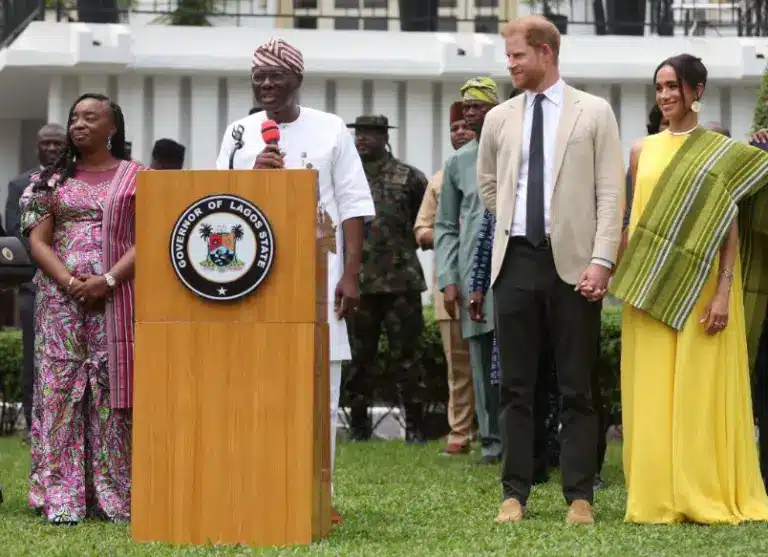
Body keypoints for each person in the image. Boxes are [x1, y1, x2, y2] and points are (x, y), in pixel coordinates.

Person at [215, 37, 375, 526]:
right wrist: (253, 177)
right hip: (251, 277)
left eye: (275, 76)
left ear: (296, 80)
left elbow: (353, 204)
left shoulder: (329, 129)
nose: (266, 84)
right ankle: (255, 487)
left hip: (317, 272)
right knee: (254, 384)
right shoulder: (240, 134)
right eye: (259, 77)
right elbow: (215, 201)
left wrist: (350, 273)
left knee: (319, 383)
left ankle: (317, 492)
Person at [478, 16, 624, 525]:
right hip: (515, 260)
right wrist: (520, 225)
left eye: (517, 55)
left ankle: (579, 495)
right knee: (515, 386)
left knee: (577, 385)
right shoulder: (499, 118)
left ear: (544, 52)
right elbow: (490, 188)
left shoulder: (594, 112)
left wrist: (602, 260)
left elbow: (611, 194)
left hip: (576, 267)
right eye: (509, 56)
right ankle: (514, 493)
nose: (510, 64)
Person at [611, 53, 768, 525]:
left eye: (674, 86)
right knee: (653, 390)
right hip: (649, 287)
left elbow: (728, 225)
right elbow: (630, 221)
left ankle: (703, 490)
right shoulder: (641, 150)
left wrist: (724, 291)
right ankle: (657, 495)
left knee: (699, 391)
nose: (665, 96)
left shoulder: (720, 152)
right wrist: (617, 274)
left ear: (697, 91)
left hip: (703, 290)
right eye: (659, 87)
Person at [21, 93, 139, 524]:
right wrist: (72, 283)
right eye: (75, 117)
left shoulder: (137, 178)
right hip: (61, 302)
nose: (79, 124)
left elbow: (150, 237)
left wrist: (108, 280)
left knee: (111, 393)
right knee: (59, 392)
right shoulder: (49, 181)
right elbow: (38, 241)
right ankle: (61, 495)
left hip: (118, 300)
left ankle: (112, 495)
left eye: (91, 117)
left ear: (113, 129)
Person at [343, 114, 428, 444]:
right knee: (358, 358)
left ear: (384, 138)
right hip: (359, 283)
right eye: (359, 133)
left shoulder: (409, 177)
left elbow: (425, 219)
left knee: (407, 357)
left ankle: (416, 429)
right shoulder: (347, 178)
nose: (362, 139)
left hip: (401, 282)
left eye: (369, 134)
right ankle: (358, 428)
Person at [436, 77, 503, 465]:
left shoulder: (517, 150)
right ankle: (492, 443)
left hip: (514, 268)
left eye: (477, 104)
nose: (470, 112)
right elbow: (445, 225)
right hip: (471, 276)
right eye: (465, 106)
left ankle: (525, 439)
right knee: (478, 361)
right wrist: (448, 279)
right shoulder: (459, 161)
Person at [414, 101, 476, 456]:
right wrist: (450, 232)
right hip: (450, 282)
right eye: (454, 129)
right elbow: (421, 229)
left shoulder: (494, 169)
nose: (460, 133)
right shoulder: (440, 179)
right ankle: (460, 431)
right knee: (459, 364)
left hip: (493, 280)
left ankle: (498, 432)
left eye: (465, 127)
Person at [5, 123, 66, 437]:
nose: (53, 149)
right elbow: (15, 232)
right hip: (35, 284)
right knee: (33, 356)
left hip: (75, 284)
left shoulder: (77, 181)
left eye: (58, 143)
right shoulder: (19, 185)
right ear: (37, 146)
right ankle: (33, 425)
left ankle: (66, 425)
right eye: (47, 143)